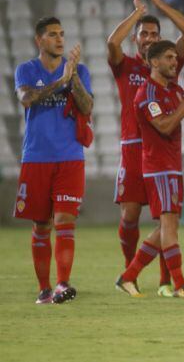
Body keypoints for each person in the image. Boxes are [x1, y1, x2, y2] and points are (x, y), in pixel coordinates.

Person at [107, 0, 184, 298]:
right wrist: (137, 12)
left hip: (163, 146)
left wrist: (160, 6)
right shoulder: (127, 65)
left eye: (154, 34)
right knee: (131, 216)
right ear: (136, 39)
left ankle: (164, 282)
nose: (149, 39)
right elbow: (112, 44)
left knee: (166, 217)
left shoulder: (167, 64)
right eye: (144, 34)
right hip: (133, 147)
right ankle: (131, 269)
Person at [115, 40, 184, 299]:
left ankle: (128, 276)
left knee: (169, 225)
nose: (174, 62)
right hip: (157, 167)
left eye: (175, 58)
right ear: (154, 62)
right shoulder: (146, 93)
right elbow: (164, 126)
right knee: (169, 225)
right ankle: (179, 284)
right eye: (168, 57)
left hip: (172, 166)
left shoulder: (174, 89)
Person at [14, 17, 93, 304]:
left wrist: (71, 79)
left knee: (64, 221)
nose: (60, 39)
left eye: (62, 34)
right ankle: (44, 289)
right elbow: (26, 98)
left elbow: (87, 106)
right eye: (52, 35)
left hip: (70, 156)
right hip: (36, 157)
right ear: (40, 40)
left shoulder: (80, 71)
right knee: (41, 224)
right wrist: (60, 81)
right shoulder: (26, 69)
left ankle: (62, 284)